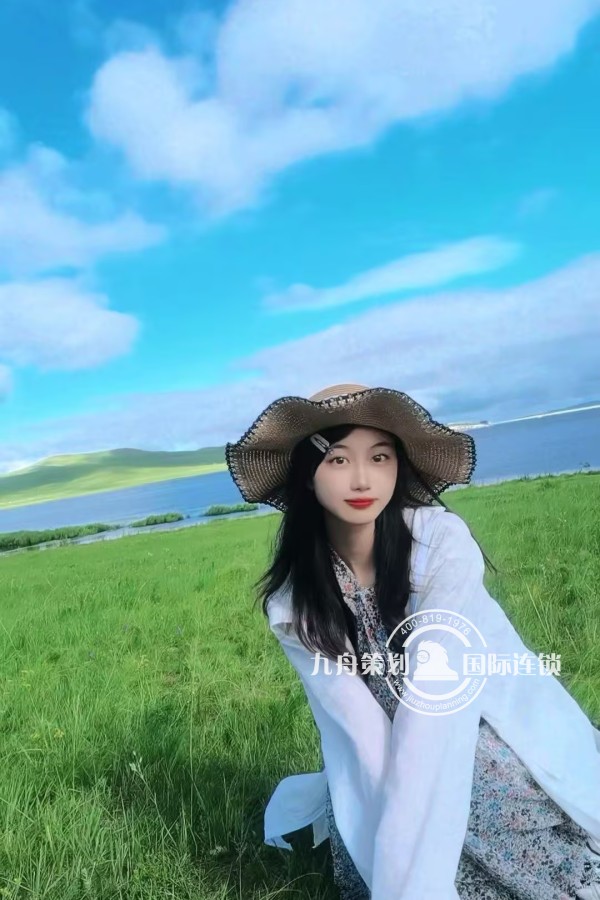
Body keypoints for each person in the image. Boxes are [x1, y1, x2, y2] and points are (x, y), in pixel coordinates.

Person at [225, 382, 600, 900]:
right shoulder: (295, 604)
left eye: (379, 457)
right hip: (375, 743)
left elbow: (436, 698)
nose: (362, 478)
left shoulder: (439, 544)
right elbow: (356, 726)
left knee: (484, 791)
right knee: (375, 827)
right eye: (338, 460)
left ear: (398, 466)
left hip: (469, 715)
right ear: (308, 477)